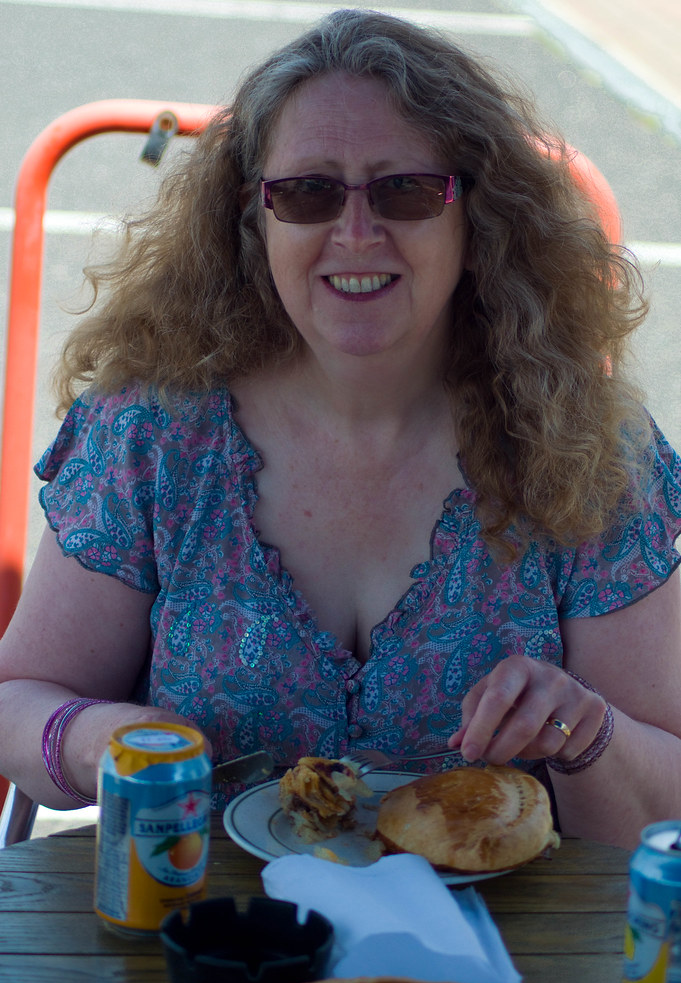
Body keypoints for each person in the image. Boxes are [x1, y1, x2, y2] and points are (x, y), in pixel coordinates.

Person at [0, 8, 679, 849]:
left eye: (404, 190)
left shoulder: (586, 447)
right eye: (308, 193)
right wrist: (96, 739)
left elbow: (664, 802)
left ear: (477, 219)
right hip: (204, 947)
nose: (355, 233)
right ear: (254, 222)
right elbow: (20, 693)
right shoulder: (153, 433)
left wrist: (587, 733)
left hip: (507, 965)